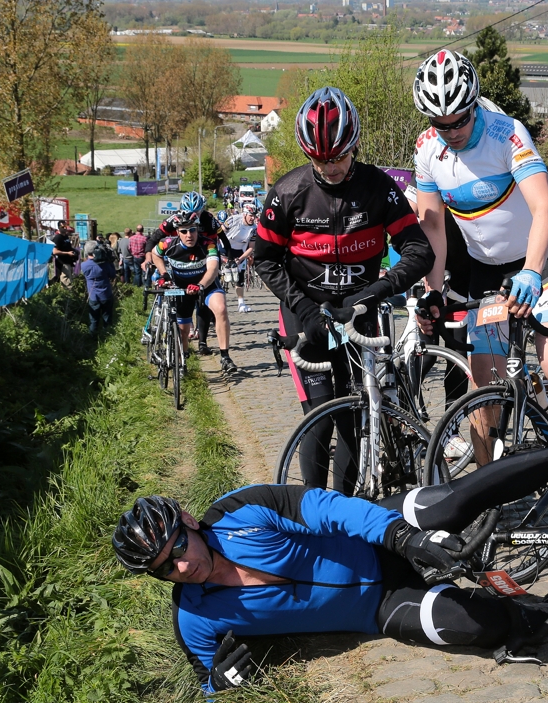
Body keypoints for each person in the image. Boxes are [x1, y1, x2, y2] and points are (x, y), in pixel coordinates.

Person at [112, 419, 548, 694]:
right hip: (380, 606)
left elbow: (332, 509)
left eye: (177, 547)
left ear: (188, 522)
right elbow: (210, 686)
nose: (180, 565)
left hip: (376, 537)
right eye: (165, 567)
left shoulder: (240, 513)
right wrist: (232, 683)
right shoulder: (196, 619)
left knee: (452, 504)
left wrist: (402, 537)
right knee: (470, 625)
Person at [253, 86, 434, 493]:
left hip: (359, 312)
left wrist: (373, 293)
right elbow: (264, 258)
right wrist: (301, 306)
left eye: (338, 156)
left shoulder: (378, 187)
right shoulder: (287, 193)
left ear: (353, 145)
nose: (330, 167)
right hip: (307, 313)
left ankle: (345, 511)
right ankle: (313, 518)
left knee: (354, 420)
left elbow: (419, 252)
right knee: (318, 419)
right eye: (319, 160)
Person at [412, 50, 548, 451]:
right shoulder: (426, 150)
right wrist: (434, 291)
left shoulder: (506, 133)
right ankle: (485, 496)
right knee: (484, 389)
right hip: (487, 272)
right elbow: (434, 229)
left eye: (460, 119)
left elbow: (545, 207)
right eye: (441, 124)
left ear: (474, 104)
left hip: (541, 264)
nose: (453, 131)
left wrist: (529, 270)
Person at [150, 210, 239, 374]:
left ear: (197, 229)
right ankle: (182, 360)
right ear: (177, 232)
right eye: (183, 231)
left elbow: (213, 269)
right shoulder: (168, 243)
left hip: (206, 284)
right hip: (181, 288)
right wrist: (163, 273)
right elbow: (155, 254)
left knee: (220, 308)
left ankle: (225, 356)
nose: (188, 234)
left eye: (192, 230)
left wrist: (200, 285)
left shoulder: (208, 245)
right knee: (183, 330)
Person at [221, 204, 257, 313]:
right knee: (219, 274)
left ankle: (241, 303)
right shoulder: (233, 220)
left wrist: (240, 259)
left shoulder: (254, 228)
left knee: (239, 277)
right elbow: (220, 233)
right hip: (225, 247)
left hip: (240, 250)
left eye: (254, 216)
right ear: (244, 214)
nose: (253, 218)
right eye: (250, 215)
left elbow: (251, 247)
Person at [82, 240, 116, 333]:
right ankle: (107, 335)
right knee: (107, 318)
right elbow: (113, 275)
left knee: (94, 320)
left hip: (93, 296)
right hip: (106, 294)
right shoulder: (105, 264)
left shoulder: (84, 265)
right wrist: (110, 261)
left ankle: (92, 336)